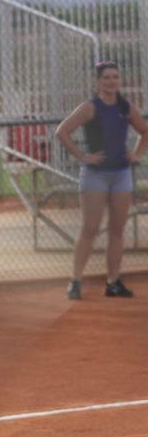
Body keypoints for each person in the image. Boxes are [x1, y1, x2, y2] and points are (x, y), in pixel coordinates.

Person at [56, 60, 147, 299]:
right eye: (106, 77)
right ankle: (75, 281)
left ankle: (113, 282)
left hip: (121, 175)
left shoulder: (125, 107)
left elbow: (145, 131)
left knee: (117, 230)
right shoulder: (90, 107)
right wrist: (83, 156)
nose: (111, 81)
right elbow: (62, 131)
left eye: (115, 77)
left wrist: (136, 154)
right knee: (90, 228)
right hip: (95, 176)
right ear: (98, 81)